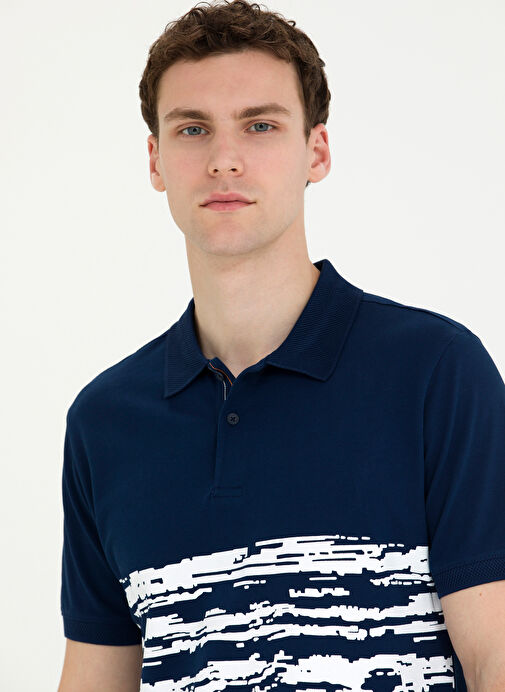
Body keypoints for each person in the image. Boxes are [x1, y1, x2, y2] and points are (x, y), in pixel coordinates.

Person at [58, 1, 505, 691]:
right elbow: (95, 678)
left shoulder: (436, 373)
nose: (223, 160)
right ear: (155, 160)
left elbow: (494, 656)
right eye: (192, 129)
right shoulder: (104, 421)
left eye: (260, 125)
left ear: (316, 152)